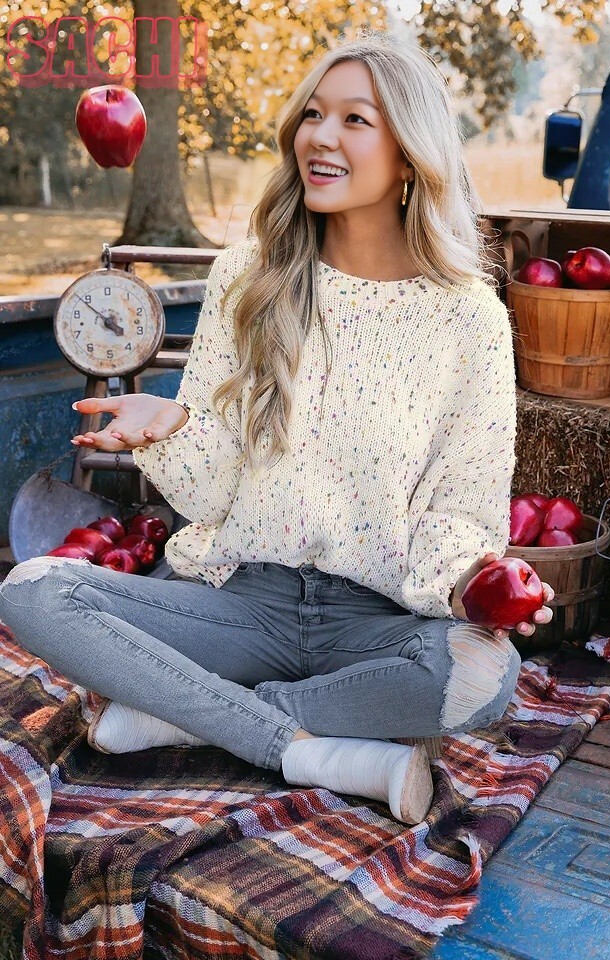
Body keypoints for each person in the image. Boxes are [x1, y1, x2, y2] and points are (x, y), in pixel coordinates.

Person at [0, 32, 554, 825]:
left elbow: (461, 506)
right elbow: (214, 493)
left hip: (378, 619)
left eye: (355, 120)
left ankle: (182, 714)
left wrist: (471, 584)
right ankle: (302, 747)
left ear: (410, 155)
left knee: (482, 676)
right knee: (34, 591)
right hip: (238, 602)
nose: (320, 137)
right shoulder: (248, 277)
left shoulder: (469, 319)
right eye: (313, 115)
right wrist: (172, 426)